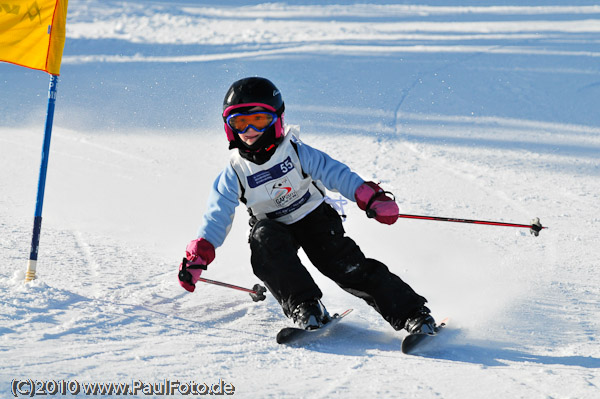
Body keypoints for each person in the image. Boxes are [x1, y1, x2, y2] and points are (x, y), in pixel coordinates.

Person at [178, 77, 435, 334]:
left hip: (314, 217)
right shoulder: (234, 172)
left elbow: (335, 172)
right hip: (273, 227)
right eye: (240, 122)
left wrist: (370, 197)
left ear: (276, 120)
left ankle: (413, 313)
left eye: (258, 120)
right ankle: (306, 307)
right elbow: (217, 215)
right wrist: (198, 255)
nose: (249, 131)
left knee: (346, 268)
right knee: (265, 246)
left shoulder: (296, 152)